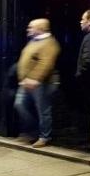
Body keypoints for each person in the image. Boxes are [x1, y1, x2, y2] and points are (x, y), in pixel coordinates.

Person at [13, 18, 60, 148]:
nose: (28, 29)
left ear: (40, 29)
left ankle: (44, 137)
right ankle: (32, 131)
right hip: (26, 82)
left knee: (43, 110)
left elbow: (46, 63)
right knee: (19, 104)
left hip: (41, 83)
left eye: (31, 27)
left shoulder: (49, 43)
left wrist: (34, 78)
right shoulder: (34, 41)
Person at [76, 8, 90, 141]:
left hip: (88, 82)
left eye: (83, 19)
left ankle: (88, 139)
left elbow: (88, 61)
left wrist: (81, 75)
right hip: (89, 82)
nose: (80, 22)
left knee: (88, 111)